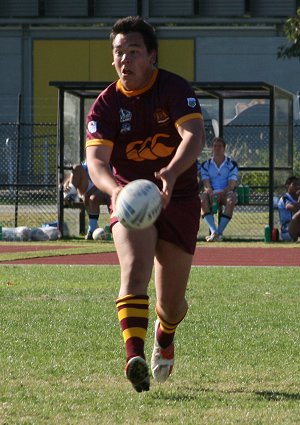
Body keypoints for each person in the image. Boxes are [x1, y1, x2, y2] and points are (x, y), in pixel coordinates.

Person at [85, 16, 205, 392]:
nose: (125, 59)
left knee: (171, 305)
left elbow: (194, 134)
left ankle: (164, 336)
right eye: (118, 52)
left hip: (180, 196)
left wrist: (169, 173)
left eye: (133, 51)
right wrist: (115, 191)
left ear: (151, 56)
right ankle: (133, 356)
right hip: (130, 196)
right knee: (134, 268)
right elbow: (97, 163)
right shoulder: (105, 106)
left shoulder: (172, 88)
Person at [199, 137, 238, 242]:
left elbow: (232, 184)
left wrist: (221, 193)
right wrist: (211, 192)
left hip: (226, 193)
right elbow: (205, 182)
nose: (217, 148)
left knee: (231, 199)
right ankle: (214, 231)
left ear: (224, 148)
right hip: (211, 194)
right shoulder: (205, 165)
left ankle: (218, 232)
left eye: (220, 146)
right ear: (212, 148)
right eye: (215, 146)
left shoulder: (231, 164)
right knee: (202, 199)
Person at [63, 162, 110, 239]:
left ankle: (92, 229)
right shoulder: (90, 154)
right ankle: (70, 194)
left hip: (101, 186)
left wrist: (88, 194)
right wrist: (66, 185)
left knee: (93, 198)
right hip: (87, 185)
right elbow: (75, 173)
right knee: (77, 166)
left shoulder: (107, 157)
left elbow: (105, 180)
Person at [278, 176, 300, 242]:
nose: (297, 187)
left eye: (298, 184)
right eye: (294, 184)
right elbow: (294, 209)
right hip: (287, 231)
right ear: (288, 186)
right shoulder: (284, 198)